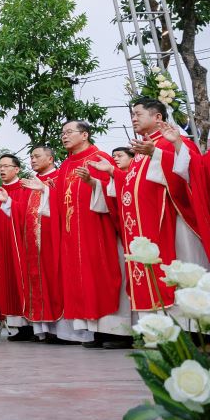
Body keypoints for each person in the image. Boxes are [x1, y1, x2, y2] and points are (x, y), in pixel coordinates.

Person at [90, 98, 207, 313]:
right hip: (145, 226)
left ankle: (191, 322)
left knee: (182, 280)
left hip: (173, 225)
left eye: (138, 114)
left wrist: (158, 153)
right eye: (132, 115)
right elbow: (132, 187)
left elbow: (193, 173)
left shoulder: (170, 142)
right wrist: (112, 172)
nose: (133, 118)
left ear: (158, 117)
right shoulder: (141, 150)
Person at [50, 120, 130, 349]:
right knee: (82, 280)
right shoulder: (66, 165)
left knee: (103, 276)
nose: (64, 136)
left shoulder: (100, 158)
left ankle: (119, 333)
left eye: (69, 132)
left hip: (98, 231)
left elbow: (116, 190)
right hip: (72, 234)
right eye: (62, 133)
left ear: (84, 135)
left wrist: (94, 183)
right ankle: (96, 331)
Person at [0, 147, 65, 343]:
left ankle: (62, 331)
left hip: (53, 241)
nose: (32, 160)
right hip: (33, 244)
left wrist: (45, 190)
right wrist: (8, 202)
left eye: (37, 156)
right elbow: (24, 211)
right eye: (31, 157)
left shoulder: (59, 177)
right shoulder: (32, 182)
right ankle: (45, 329)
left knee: (55, 283)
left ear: (51, 158)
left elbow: (64, 204)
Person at [0, 154, 29, 341]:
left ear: (17, 169)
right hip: (4, 248)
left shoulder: (25, 189)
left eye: (6, 166)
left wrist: (8, 202)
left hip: (22, 246)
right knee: (9, 285)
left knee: (23, 282)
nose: (2, 169)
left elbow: (28, 214)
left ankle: (31, 326)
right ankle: (21, 327)